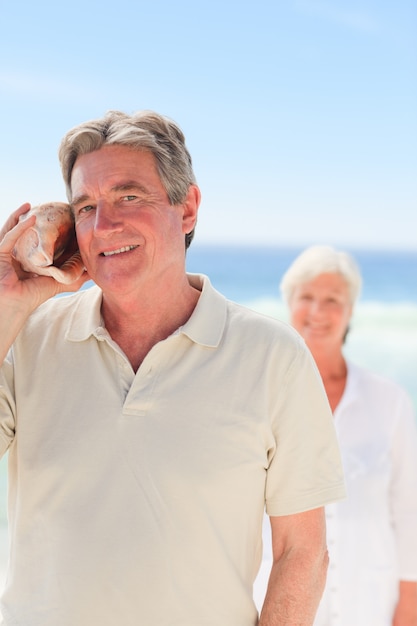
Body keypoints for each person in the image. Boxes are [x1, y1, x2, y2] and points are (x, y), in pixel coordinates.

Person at [0, 111, 346, 626]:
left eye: (129, 196)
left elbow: (303, 552)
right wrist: (6, 302)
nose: (104, 225)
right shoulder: (26, 338)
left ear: (187, 208)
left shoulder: (275, 356)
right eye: (87, 206)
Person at [280, 245, 417, 626]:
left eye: (333, 299)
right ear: (289, 304)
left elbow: (409, 508)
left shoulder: (389, 400)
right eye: (306, 297)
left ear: (351, 309)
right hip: (283, 604)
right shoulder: (261, 398)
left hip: (372, 602)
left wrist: (410, 604)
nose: (318, 311)